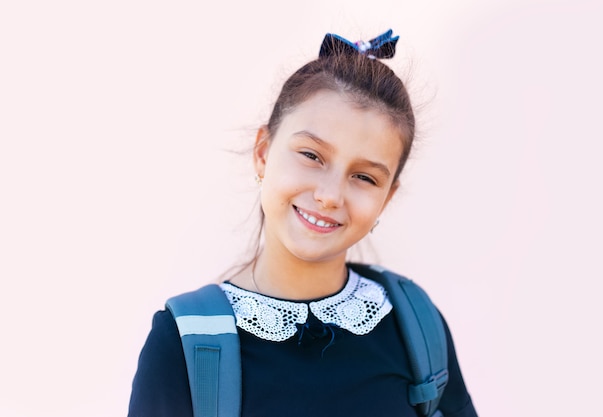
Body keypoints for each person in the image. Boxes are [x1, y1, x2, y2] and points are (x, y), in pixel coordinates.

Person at [128, 30, 478, 417]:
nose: (330, 195)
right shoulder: (184, 343)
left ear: (387, 198)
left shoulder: (414, 323)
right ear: (263, 154)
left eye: (365, 177)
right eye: (312, 155)